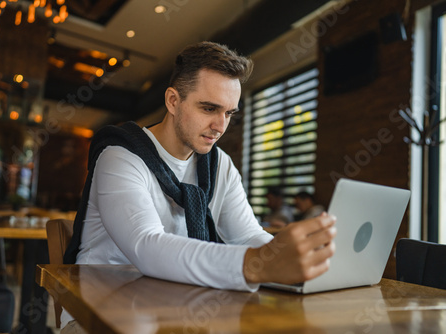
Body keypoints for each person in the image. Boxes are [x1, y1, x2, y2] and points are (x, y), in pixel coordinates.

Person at [60, 41, 336, 333]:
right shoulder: (120, 156)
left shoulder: (221, 165)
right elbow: (147, 246)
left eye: (229, 113)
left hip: (174, 310)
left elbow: (246, 235)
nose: (220, 125)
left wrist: (296, 261)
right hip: (97, 313)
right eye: (209, 108)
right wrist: (255, 265)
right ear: (173, 101)